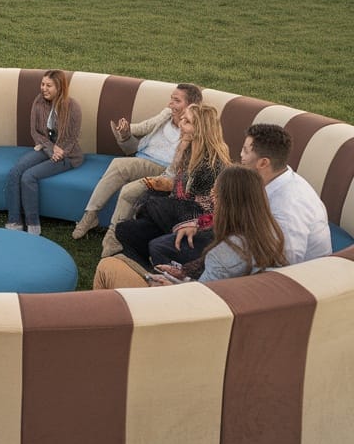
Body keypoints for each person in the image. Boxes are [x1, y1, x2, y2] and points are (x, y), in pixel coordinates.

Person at [94, 165, 287, 289]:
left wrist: (170, 285)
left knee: (108, 266)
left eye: (215, 193)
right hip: (212, 297)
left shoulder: (224, 254)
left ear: (228, 202)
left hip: (183, 313)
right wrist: (182, 275)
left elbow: (199, 301)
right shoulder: (270, 235)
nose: (212, 197)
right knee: (128, 244)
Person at [73, 82, 203, 252]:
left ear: (191, 105)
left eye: (176, 101)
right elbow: (143, 129)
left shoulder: (194, 128)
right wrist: (126, 130)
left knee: (120, 168)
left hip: (163, 168)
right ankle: (91, 215)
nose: (170, 104)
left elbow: (184, 165)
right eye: (171, 99)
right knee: (119, 166)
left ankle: (110, 232)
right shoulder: (166, 114)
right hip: (143, 158)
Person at [115, 103, 231, 267]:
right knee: (125, 230)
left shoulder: (210, 165)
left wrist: (164, 199)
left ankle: (159, 265)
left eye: (187, 121)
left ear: (201, 130)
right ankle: (146, 269)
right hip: (175, 213)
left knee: (151, 204)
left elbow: (199, 207)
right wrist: (180, 151)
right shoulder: (188, 149)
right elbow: (177, 188)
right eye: (182, 118)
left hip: (196, 222)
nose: (181, 124)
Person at [5, 70, 83, 235]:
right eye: (42, 84)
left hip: (67, 155)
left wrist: (58, 151)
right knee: (15, 172)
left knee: (28, 177)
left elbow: (71, 138)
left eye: (49, 85)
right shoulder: (38, 102)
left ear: (59, 87)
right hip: (46, 148)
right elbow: (35, 132)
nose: (44, 88)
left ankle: (33, 226)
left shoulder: (72, 107)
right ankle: (14, 221)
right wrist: (50, 148)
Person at [240, 123, 332, 262]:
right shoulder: (274, 177)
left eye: (246, 151)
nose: (241, 155)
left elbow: (284, 262)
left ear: (263, 163)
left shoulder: (287, 208)